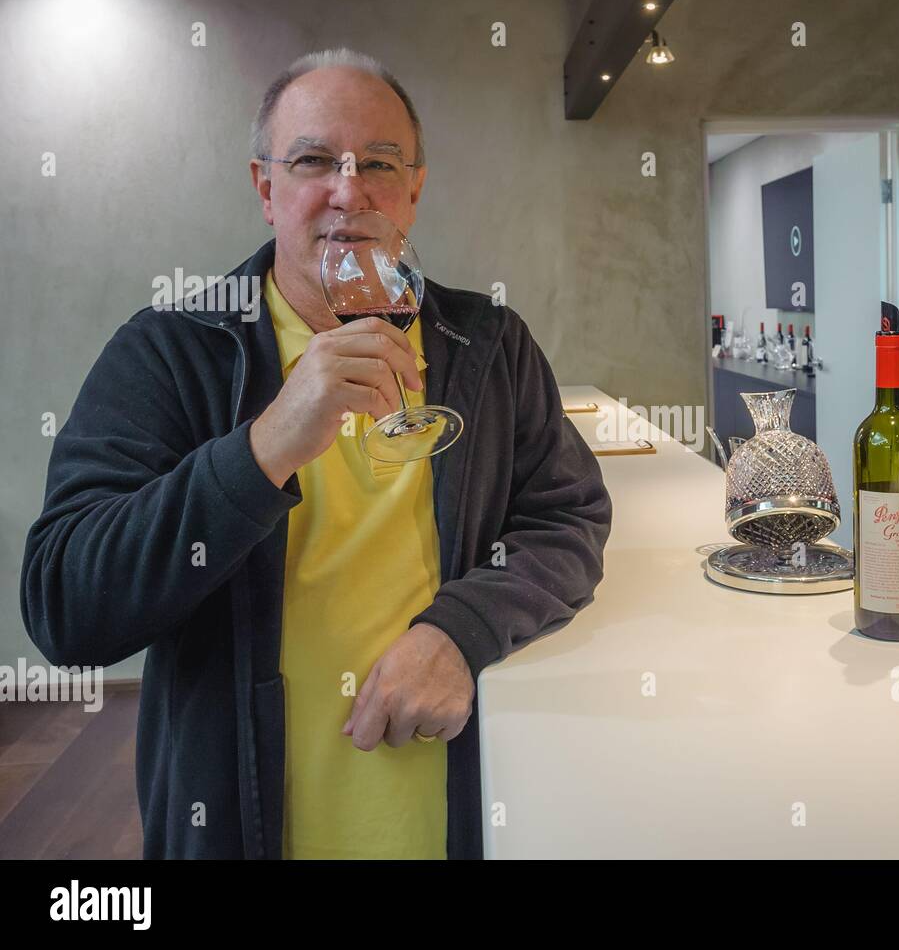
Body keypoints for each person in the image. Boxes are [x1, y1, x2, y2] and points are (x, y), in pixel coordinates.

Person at [20, 48, 612, 859]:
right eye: (311, 161)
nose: (348, 190)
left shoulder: (489, 343)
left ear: (414, 189)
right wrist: (263, 448)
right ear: (266, 189)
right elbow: (64, 604)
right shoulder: (168, 352)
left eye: (378, 162)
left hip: (460, 816)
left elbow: (568, 516)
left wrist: (463, 629)